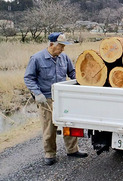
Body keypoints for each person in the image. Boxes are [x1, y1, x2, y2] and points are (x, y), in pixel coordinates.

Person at [24, 32, 88, 166]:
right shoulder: (37, 58)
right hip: (47, 98)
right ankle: (50, 153)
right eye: (61, 46)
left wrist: (80, 81)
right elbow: (29, 78)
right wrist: (37, 94)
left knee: (69, 123)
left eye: (64, 47)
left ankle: (72, 150)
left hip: (64, 97)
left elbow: (72, 73)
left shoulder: (64, 57)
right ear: (51, 44)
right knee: (49, 127)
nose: (63, 49)